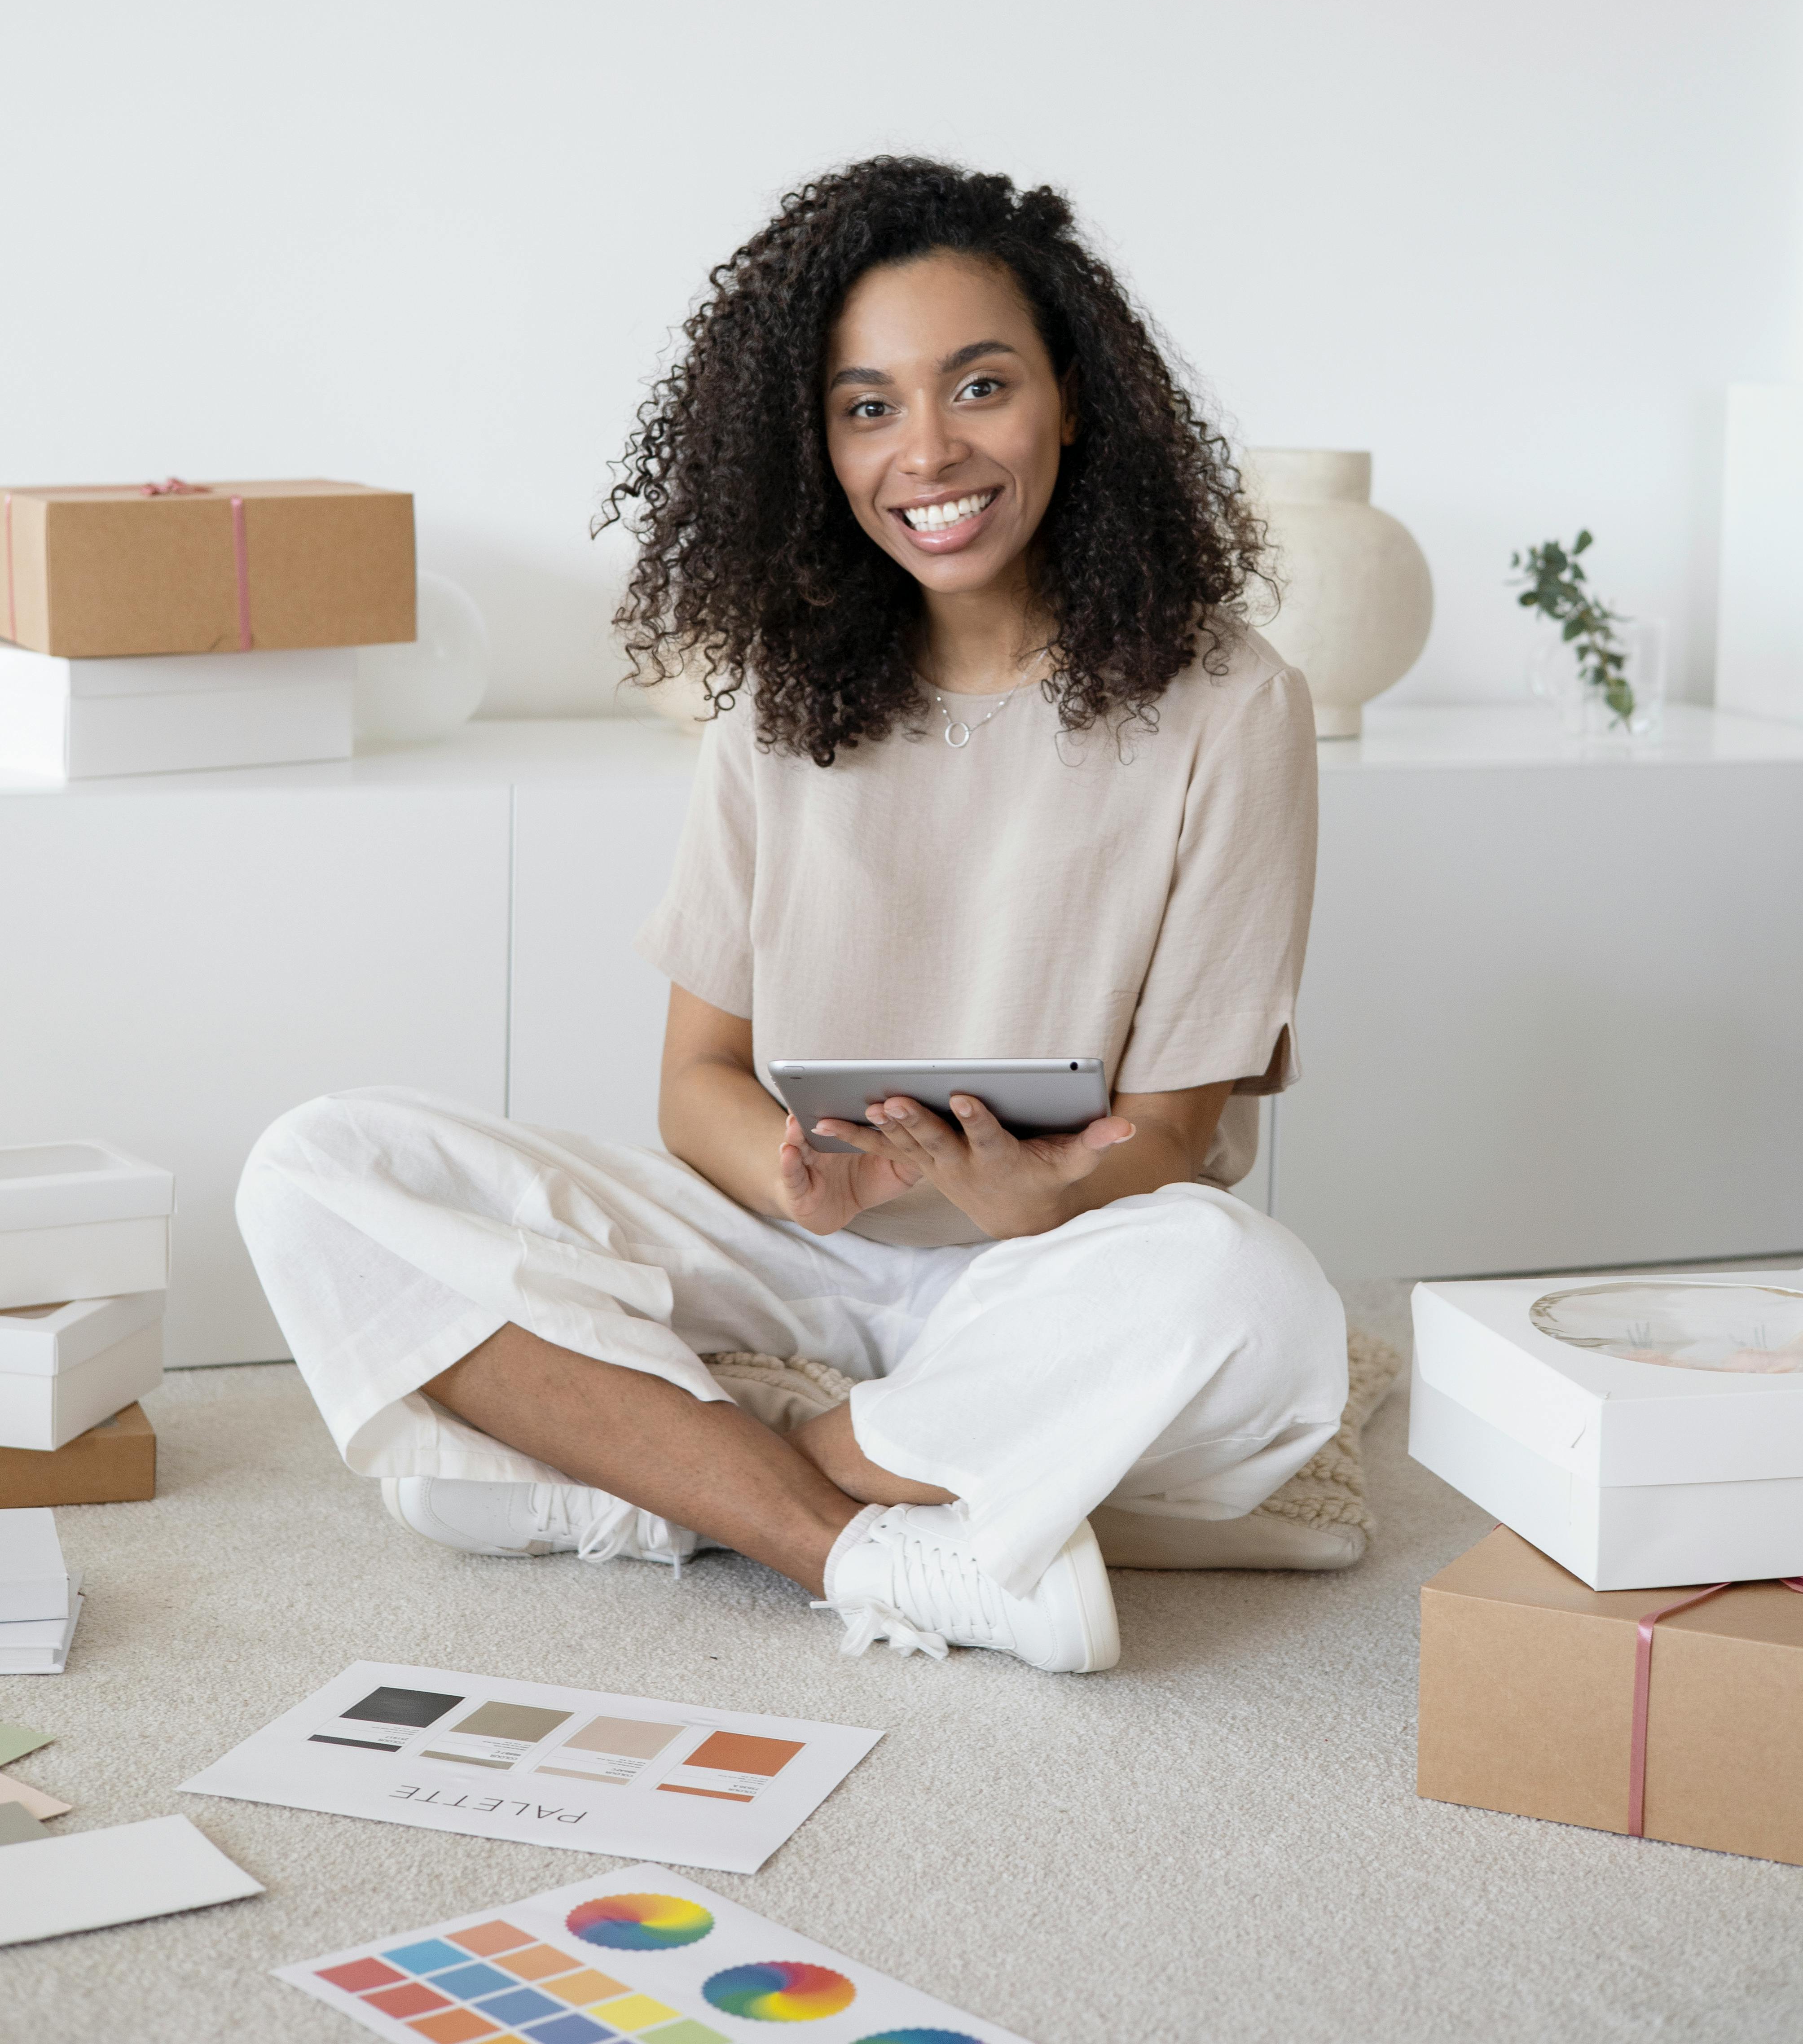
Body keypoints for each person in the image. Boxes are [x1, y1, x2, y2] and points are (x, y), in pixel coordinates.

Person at [238, 156, 1347, 1676]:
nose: (928, 451)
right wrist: (790, 1171)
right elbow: (695, 1081)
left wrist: (1035, 1201)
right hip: (794, 1248)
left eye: (980, 386)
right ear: (815, 443)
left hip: (1056, 1268)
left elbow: (1167, 1133)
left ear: (1074, 400)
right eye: (868, 406)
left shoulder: (1231, 703)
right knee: (316, 1165)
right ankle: (872, 1537)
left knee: (1255, 1296)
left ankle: (706, 1461)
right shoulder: (778, 701)